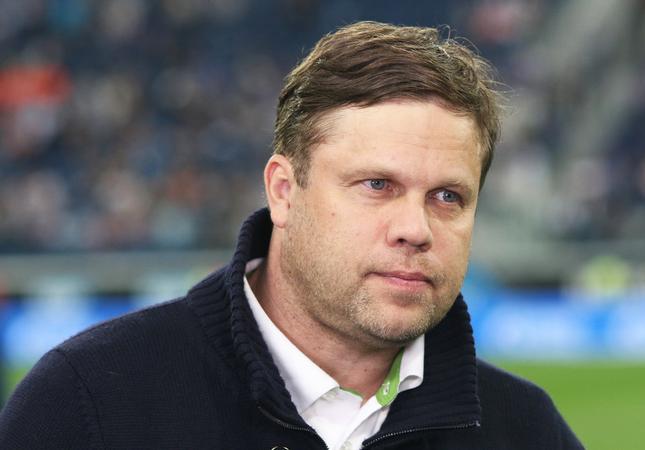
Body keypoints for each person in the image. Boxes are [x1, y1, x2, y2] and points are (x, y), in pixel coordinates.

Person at [0, 21, 584, 449]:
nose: (415, 229)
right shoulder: (88, 404)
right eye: (377, 185)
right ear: (283, 191)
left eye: (448, 197)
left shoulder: (527, 431)